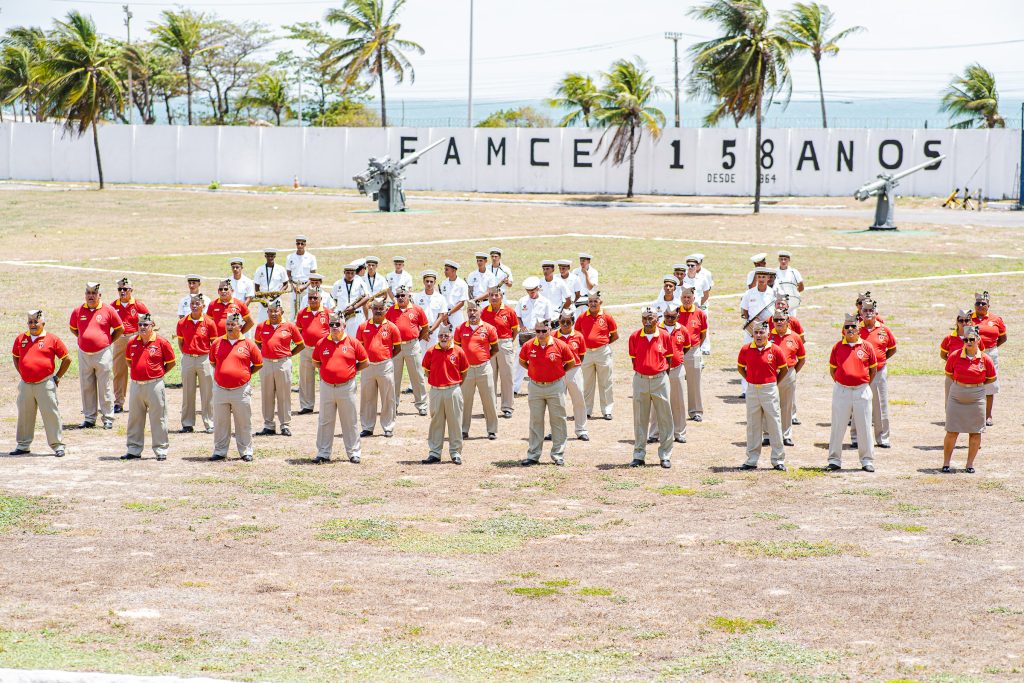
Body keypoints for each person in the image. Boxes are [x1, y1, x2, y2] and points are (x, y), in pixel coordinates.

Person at [11, 310, 70, 458]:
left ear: (43, 323)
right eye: (30, 322)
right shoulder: (21, 339)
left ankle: (57, 445)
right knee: (24, 415)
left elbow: (67, 359)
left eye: (35, 322)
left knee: (51, 415)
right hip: (25, 385)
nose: (32, 325)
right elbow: (15, 356)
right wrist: (23, 373)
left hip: (45, 384)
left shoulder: (52, 339)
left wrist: (57, 377)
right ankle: (23, 445)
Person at [313, 312, 369, 464]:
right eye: (331, 324)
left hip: (347, 387)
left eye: (338, 324)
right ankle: (323, 453)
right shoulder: (321, 343)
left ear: (344, 326)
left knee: (350, 420)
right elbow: (316, 362)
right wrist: (329, 373)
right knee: (325, 420)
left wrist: (349, 371)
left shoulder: (353, 342)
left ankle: (354, 453)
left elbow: (365, 362)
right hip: (327, 387)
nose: (334, 327)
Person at [519, 318, 575, 466]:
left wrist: (557, 373)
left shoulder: (560, 345)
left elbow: (571, 362)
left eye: (544, 331)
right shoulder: (528, 345)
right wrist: (535, 372)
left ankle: (558, 454)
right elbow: (522, 361)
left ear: (549, 330)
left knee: (558, 420)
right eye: (538, 331)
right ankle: (533, 455)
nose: (541, 334)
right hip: (535, 387)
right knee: (536, 421)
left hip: (555, 387)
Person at [209, 313, 263, 462]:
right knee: (220, 422)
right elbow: (213, 362)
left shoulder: (248, 343)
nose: (230, 327)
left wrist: (244, 374)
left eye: (233, 324)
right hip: (220, 389)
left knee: (243, 422)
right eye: (228, 324)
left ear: (240, 326)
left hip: (241, 390)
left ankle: (246, 451)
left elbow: (258, 363)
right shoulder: (217, 343)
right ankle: (220, 451)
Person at [122, 314, 176, 461]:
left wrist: (157, 373)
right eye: (140, 325)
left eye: (146, 324)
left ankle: (161, 450)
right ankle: (133, 449)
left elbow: (171, 362)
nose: (142, 327)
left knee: (158, 418)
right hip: (136, 386)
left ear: (152, 325)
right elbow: (129, 362)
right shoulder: (132, 342)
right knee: (134, 418)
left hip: (154, 385)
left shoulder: (162, 342)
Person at [827, 314, 878, 472]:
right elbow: (833, 370)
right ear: (843, 329)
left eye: (853, 326)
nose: (850, 329)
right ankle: (834, 459)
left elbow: (873, 369)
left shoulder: (867, 346)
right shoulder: (837, 347)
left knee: (864, 427)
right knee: (838, 425)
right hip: (842, 390)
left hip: (862, 390)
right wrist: (844, 382)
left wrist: (861, 383)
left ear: (859, 329)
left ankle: (866, 460)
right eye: (847, 327)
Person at [69, 282, 123, 430]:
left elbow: (120, 328)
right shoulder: (78, 311)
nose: (91, 296)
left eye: (94, 293)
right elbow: (74, 329)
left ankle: (108, 418)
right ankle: (89, 418)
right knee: (86, 386)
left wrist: (107, 341)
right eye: (88, 293)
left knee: (104, 386)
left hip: (102, 353)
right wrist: (84, 339)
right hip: (84, 354)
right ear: (85, 295)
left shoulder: (108, 310)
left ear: (100, 295)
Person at [942, 326, 996, 473]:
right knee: (952, 430)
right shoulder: (954, 355)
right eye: (966, 339)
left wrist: (974, 386)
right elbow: (950, 373)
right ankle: (946, 463)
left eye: (972, 339)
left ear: (978, 340)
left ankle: (969, 464)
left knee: (975, 431)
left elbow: (991, 378)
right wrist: (963, 384)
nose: (968, 342)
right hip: (957, 395)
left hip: (977, 397)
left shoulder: (986, 359)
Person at [737, 321, 787, 471]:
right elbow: (740, 368)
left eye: (761, 332)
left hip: (769, 389)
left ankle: (778, 459)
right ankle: (752, 459)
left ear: (768, 334)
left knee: (774, 423)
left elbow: (783, 369)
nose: (758, 335)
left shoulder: (776, 350)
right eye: (756, 332)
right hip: (752, 389)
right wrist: (751, 380)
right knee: (753, 425)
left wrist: (772, 383)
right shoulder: (746, 349)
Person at [629, 307, 675, 469]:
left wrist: (659, 374)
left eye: (651, 318)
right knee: (640, 418)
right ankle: (639, 455)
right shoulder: (634, 336)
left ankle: (665, 455)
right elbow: (634, 361)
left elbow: (669, 360)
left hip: (660, 379)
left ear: (657, 319)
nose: (647, 321)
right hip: (640, 379)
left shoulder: (665, 336)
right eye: (644, 318)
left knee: (665, 418)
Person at [254, 299, 303, 437]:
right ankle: (268, 425)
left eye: (276, 311)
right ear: (267, 312)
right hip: (266, 363)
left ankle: (285, 425)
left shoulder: (289, 326)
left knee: (284, 395)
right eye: (270, 311)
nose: (273, 313)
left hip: (283, 363)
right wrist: (266, 353)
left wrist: (288, 355)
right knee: (267, 394)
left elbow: (301, 344)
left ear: (281, 311)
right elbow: (258, 343)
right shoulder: (261, 326)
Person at [851, 301, 897, 449]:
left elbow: (892, 349)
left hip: (879, 371)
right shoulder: (855, 329)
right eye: (865, 310)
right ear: (861, 312)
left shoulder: (884, 329)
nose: (868, 312)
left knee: (881, 405)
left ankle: (882, 437)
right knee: (858, 403)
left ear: (876, 312)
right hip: (860, 371)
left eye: (871, 310)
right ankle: (856, 437)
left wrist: (879, 360)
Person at [421, 323, 469, 464]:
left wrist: (454, 384)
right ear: (437, 337)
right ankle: (435, 453)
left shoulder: (459, 351)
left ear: (451, 337)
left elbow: (464, 372)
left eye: (446, 335)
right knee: (436, 422)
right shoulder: (430, 351)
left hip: (453, 390)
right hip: (436, 391)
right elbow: (427, 371)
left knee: (455, 422)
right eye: (441, 335)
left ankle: (455, 453)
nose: (443, 337)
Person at [357, 299, 401, 438]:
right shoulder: (363, 326)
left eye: (381, 308)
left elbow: (397, 348)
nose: (378, 310)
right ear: (371, 309)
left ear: (385, 310)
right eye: (375, 308)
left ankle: (388, 427)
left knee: (388, 397)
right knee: (367, 398)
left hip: (385, 365)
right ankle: (367, 427)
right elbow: (360, 346)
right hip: (368, 366)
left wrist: (385, 357)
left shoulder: (392, 327)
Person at [455, 301, 499, 440]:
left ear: (480, 312)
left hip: (484, 369)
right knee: (465, 401)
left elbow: (495, 348)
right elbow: (457, 350)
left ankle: (492, 430)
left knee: (489, 400)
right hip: (467, 370)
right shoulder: (460, 328)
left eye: (475, 310)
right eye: (470, 310)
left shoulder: (489, 328)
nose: (472, 313)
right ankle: (463, 429)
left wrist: (483, 358)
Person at [649, 306, 691, 445]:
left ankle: (679, 432)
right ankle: (654, 433)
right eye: (667, 316)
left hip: (676, 370)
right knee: (657, 402)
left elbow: (686, 347)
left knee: (678, 402)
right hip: (659, 370)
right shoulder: (656, 329)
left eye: (673, 317)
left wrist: (677, 358)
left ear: (678, 317)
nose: (670, 319)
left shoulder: (683, 330)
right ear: (663, 315)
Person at [385, 286, 430, 417]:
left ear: (408, 296)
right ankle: (393, 406)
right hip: (396, 347)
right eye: (398, 296)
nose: (400, 298)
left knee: (417, 376)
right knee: (394, 378)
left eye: (402, 295)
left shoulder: (417, 309)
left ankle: (422, 405)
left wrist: (416, 339)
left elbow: (425, 327)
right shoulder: (391, 310)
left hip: (412, 345)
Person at [574, 292, 618, 420]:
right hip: (587, 353)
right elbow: (577, 335)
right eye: (591, 301)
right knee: (587, 383)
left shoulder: (607, 317)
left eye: (595, 301)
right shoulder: (582, 317)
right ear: (588, 303)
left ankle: (607, 410)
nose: (593, 304)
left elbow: (615, 335)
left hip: (602, 352)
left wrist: (602, 344)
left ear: (600, 302)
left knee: (606, 382)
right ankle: (587, 410)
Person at [175, 294, 216, 433]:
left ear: (203, 306)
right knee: (187, 392)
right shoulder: (182, 322)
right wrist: (188, 353)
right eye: (192, 303)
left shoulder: (209, 323)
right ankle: (187, 423)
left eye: (197, 303)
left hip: (204, 358)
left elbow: (214, 343)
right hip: (188, 358)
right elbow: (180, 342)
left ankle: (209, 422)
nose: (194, 305)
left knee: (207, 392)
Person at [111, 277, 150, 414]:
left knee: (140, 369)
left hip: (135, 339)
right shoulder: (113, 306)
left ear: (131, 290)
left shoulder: (138, 305)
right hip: (120, 339)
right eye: (120, 289)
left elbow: (149, 322)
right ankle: (118, 402)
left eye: (125, 289)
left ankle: (144, 400)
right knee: (119, 371)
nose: (122, 292)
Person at [513, 276, 556, 394]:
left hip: (540, 334)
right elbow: (518, 315)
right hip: (525, 334)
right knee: (519, 360)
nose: (530, 293)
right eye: (528, 291)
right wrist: (521, 326)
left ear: (538, 289)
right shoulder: (522, 301)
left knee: (540, 359)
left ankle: (540, 384)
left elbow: (548, 319)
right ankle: (515, 387)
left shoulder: (545, 302)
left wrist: (545, 331)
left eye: (532, 291)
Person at [738, 267, 776, 398]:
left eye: (764, 277)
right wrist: (751, 323)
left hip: (767, 331)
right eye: (759, 277)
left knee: (767, 359)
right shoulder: (749, 293)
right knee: (748, 358)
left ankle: (767, 385)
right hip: (751, 330)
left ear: (768, 278)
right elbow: (744, 311)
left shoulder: (773, 293)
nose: (761, 279)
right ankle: (745, 389)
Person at [769, 312, 805, 446]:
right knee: (769, 405)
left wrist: (793, 372)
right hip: (770, 374)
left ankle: (786, 435)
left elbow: (801, 358)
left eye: (781, 319)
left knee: (786, 405)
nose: (778, 322)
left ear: (787, 320)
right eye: (776, 319)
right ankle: (767, 434)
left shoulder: (795, 337)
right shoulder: (767, 336)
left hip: (788, 372)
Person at [482, 288, 520, 419]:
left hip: (505, 343)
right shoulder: (484, 312)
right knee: (489, 378)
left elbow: (515, 330)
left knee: (507, 376)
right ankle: (490, 407)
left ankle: (507, 407)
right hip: (489, 346)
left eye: (496, 295)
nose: (493, 298)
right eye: (491, 295)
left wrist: (507, 342)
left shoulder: (509, 311)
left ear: (501, 296)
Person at [970, 291, 1006, 426]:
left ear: (988, 305)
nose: (980, 305)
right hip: (973, 353)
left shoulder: (996, 319)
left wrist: (991, 348)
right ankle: (974, 413)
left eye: (983, 303)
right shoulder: (968, 318)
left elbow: (1003, 337)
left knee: (990, 383)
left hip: (991, 353)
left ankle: (988, 415)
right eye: (977, 303)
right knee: (973, 381)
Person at [295, 287, 332, 415]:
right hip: (306, 349)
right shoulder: (302, 313)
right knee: (305, 377)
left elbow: (333, 331)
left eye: (315, 297)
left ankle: (326, 404)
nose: (313, 300)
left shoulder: (327, 313)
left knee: (325, 377)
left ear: (321, 298)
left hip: (323, 350)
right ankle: (307, 405)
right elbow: (298, 331)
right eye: (310, 298)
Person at [554, 310, 589, 441]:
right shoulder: (553, 336)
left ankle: (581, 430)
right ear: (559, 322)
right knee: (556, 402)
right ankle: (555, 430)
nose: (565, 324)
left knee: (579, 400)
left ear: (573, 322)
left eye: (568, 322)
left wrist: (575, 366)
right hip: (557, 372)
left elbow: (582, 355)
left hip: (574, 370)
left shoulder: (579, 336)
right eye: (562, 321)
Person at [676, 287, 708, 421]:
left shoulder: (700, 313)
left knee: (694, 382)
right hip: (678, 351)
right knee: (676, 381)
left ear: (694, 299)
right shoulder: (675, 312)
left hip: (694, 351)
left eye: (689, 297)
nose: (686, 300)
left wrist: (696, 348)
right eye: (684, 297)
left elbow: (703, 334)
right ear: (681, 298)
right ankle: (677, 412)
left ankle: (696, 411)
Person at [940, 309, 982, 399]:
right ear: (957, 322)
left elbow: (981, 353)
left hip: (973, 376)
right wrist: (954, 363)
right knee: (950, 401)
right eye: (961, 320)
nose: (964, 323)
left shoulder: (977, 338)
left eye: (967, 320)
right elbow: (943, 355)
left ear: (970, 322)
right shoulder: (949, 338)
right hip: (953, 376)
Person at [331, 262, 371, 339]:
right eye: (347, 273)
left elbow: (367, 297)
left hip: (356, 317)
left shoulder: (360, 283)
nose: (350, 275)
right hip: (343, 317)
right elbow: (334, 299)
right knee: (342, 339)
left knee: (356, 339)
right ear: (344, 273)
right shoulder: (337, 284)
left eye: (352, 273)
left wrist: (354, 307)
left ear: (355, 273)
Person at [412, 269, 448, 349]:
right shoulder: (417, 297)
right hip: (420, 331)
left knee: (434, 355)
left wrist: (430, 331)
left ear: (435, 282)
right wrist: (423, 331)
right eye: (427, 281)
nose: (429, 284)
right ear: (423, 282)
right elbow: (415, 316)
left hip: (435, 331)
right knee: (421, 358)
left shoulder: (440, 298)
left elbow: (441, 317)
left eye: (431, 282)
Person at [253, 248, 290, 323]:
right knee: (262, 322)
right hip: (263, 300)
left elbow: (286, 284)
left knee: (278, 321)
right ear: (265, 256)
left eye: (272, 256)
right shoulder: (259, 269)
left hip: (276, 300)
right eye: (268, 256)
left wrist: (278, 293)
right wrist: (262, 300)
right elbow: (256, 287)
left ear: (275, 256)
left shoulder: (281, 269)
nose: (270, 258)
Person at [286, 235, 317, 315]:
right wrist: (293, 285)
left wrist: (304, 287)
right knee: (294, 311)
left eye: (302, 244)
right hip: (294, 287)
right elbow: (289, 274)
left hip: (306, 287)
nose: (300, 246)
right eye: (298, 243)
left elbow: (313, 275)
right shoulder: (290, 257)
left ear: (305, 245)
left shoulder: (311, 257)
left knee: (306, 310)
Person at [691, 253, 713, 355]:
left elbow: (708, 289)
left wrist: (700, 304)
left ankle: (705, 347)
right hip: (692, 303)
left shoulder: (706, 273)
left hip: (702, 303)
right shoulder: (689, 273)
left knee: (704, 325)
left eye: (698, 263)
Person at [439, 260, 469, 328]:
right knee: (445, 336)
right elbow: (441, 300)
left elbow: (462, 302)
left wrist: (449, 313)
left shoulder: (462, 284)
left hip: (456, 314)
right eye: (445, 269)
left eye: (447, 270)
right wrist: (444, 315)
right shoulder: (444, 283)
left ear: (453, 270)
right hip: (445, 314)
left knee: (457, 335)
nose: (444, 272)